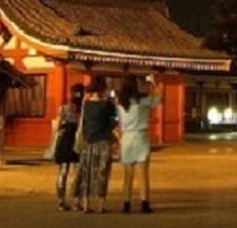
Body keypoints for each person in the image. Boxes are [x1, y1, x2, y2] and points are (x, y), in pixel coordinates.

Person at [117, 74, 161, 213]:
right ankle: (144, 203)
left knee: (127, 175)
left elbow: (119, 123)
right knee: (143, 174)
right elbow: (159, 98)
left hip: (127, 138)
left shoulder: (121, 105)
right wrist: (153, 83)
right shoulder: (143, 102)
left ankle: (126, 204)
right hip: (141, 136)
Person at [75, 76, 118, 213]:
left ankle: (86, 203)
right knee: (102, 172)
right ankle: (100, 204)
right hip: (103, 141)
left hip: (88, 141)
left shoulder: (86, 104)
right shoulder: (107, 105)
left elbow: (84, 123)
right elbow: (114, 121)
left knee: (87, 172)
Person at [53, 83, 83, 211]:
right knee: (77, 172)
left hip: (65, 139)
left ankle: (61, 201)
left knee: (63, 172)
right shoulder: (83, 110)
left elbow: (58, 125)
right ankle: (76, 200)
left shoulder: (63, 109)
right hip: (77, 139)